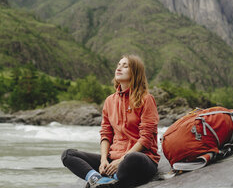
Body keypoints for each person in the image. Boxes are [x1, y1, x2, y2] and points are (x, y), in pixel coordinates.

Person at [61, 55, 160, 188]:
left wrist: (121, 160)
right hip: (113, 159)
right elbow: (106, 134)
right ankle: (98, 179)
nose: (119, 68)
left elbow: (146, 138)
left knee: (132, 158)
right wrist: (103, 160)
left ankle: (113, 180)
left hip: (140, 159)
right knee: (68, 155)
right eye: (118, 65)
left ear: (135, 72)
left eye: (125, 66)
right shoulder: (110, 101)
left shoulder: (146, 99)